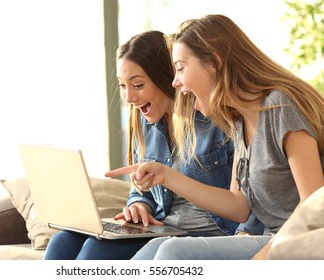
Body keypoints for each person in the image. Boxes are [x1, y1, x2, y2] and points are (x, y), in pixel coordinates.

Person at [106, 14, 324, 260]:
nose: (175, 82)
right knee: (154, 251)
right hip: (271, 240)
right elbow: (238, 207)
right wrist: (165, 175)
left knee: (173, 252)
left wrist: (259, 260)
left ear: (214, 63)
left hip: (299, 244)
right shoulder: (240, 121)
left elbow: (314, 208)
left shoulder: (279, 106)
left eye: (180, 68)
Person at [43, 30, 262, 260]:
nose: (128, 97)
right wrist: (140, 205)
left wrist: (246, 234)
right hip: (163, 229)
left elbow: (254, 191)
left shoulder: (214, 117)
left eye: (137, 84)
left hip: (209, 234)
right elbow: (142, 190)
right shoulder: (144, 121)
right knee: (63, 241)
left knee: (96, 252)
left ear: (166, 77)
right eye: (122, 85)